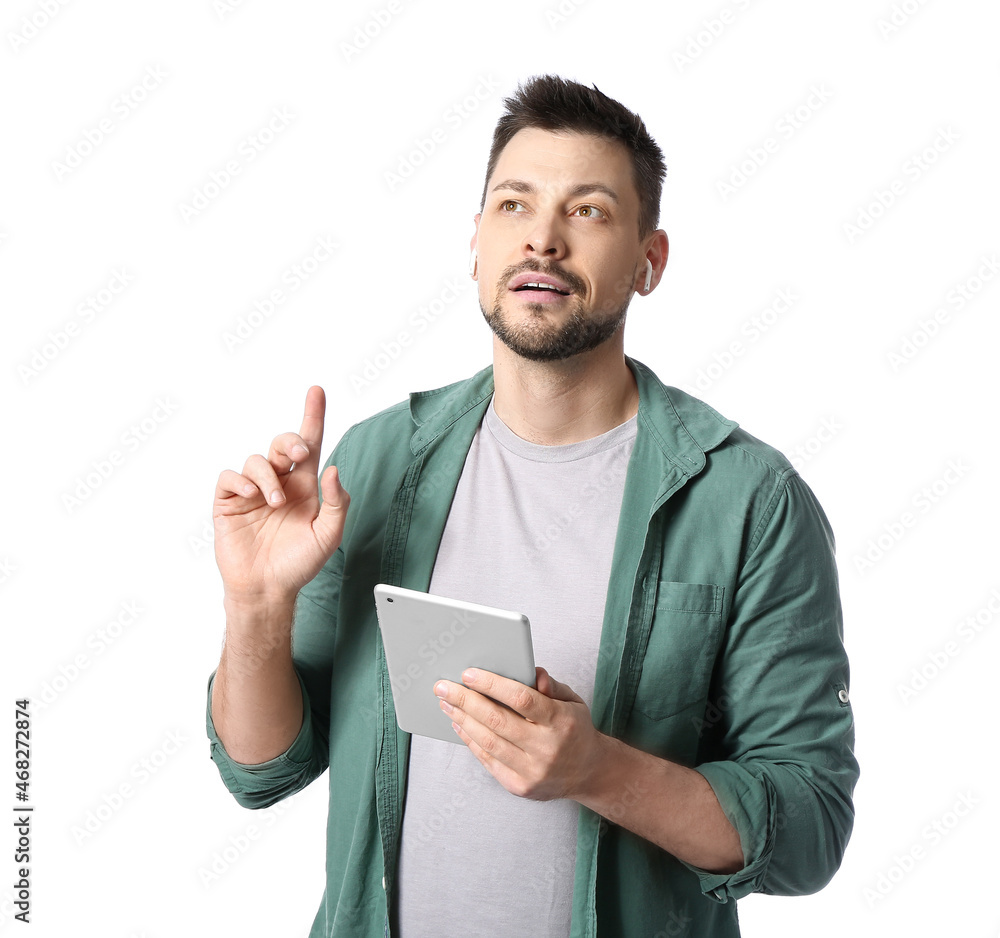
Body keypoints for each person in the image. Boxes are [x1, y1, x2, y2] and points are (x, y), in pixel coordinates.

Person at [205, 75, 859, 937]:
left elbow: (809, 826)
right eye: (514, 204)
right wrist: (258, 605)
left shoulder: (748, 500)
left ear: (648, 261)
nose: (542, 240)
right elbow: (261, 770)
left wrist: (597, 770)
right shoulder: (374, 460)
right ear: (476, 242)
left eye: (587, 211)